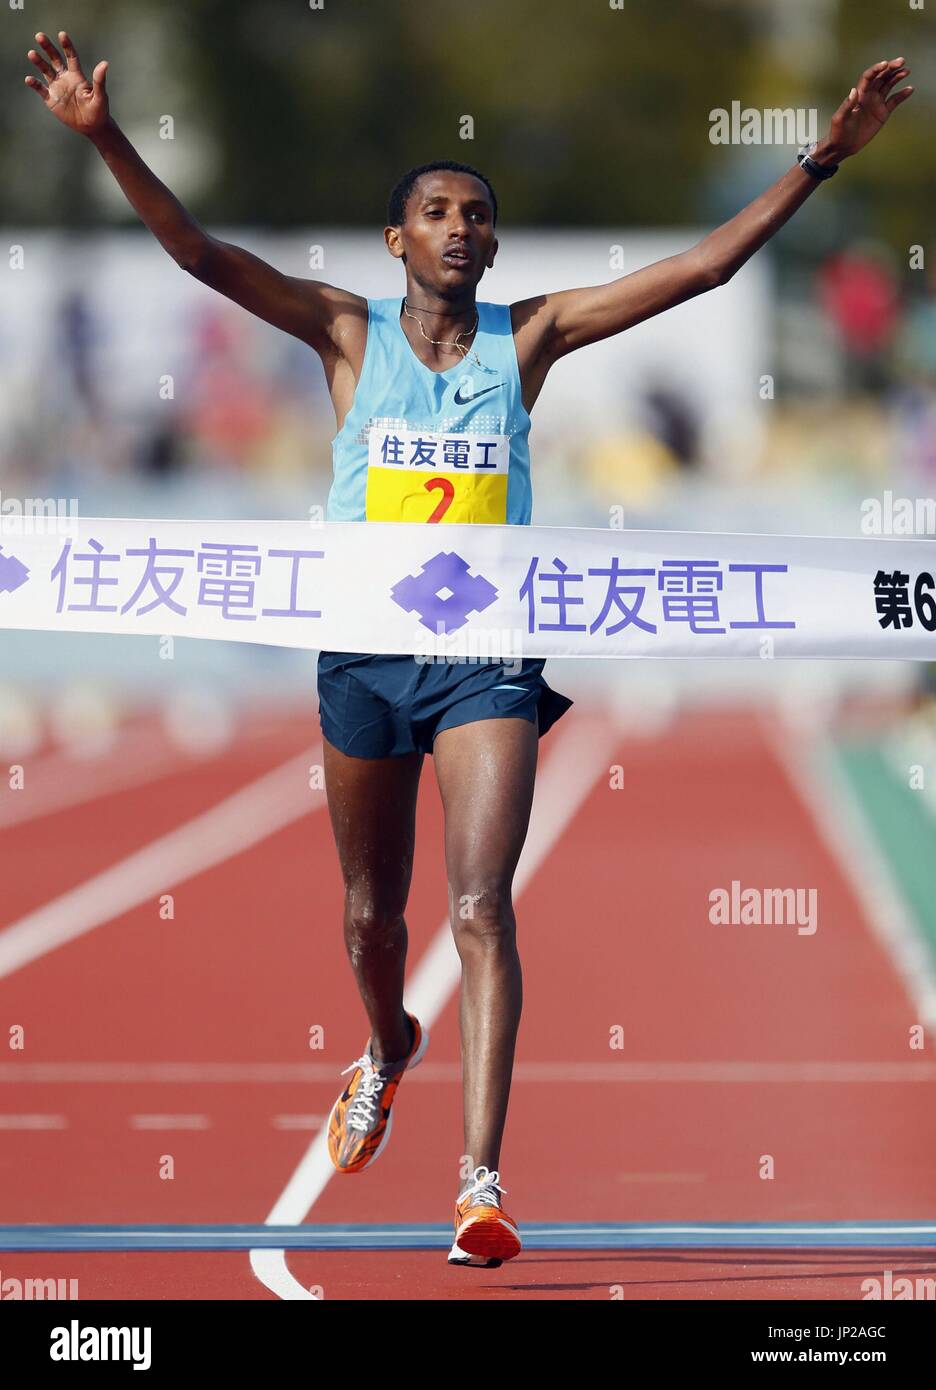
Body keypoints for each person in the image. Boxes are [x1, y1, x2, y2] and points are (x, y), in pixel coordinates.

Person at [25, 29, 913, 1268]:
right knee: (368, 919)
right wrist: (103, 132)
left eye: (477, 215)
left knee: (483, 906)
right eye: (437, 211)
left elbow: (702, 271)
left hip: (487, 658)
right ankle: (388, 1041)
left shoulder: (530, 336)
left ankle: (479, 1180)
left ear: (491, 246)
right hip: (361, 662)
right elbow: (197, 252)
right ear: (400, 240)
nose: (459, 227)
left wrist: (823, 156)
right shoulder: (344, 333)